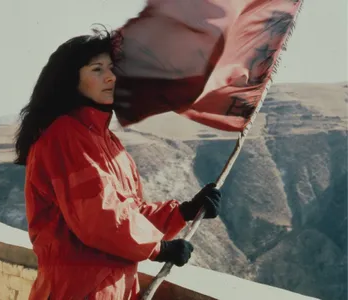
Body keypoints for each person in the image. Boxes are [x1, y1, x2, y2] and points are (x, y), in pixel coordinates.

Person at [14, 27, 222, 300]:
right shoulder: (65, 136)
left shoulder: (104, 139)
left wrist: (183, 212)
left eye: (112, 68)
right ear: (70, 80)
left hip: (112, 288)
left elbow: (126, 212)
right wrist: (159, 249)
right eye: (96, 69)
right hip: (79, 291)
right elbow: (98, 217)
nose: (111, 76)